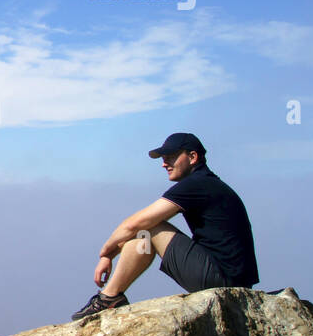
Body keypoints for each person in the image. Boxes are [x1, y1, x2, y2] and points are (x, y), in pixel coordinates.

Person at [71, 133, 259, 321]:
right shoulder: (208, 183)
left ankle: (109, 297)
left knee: (149, 228)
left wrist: (106, 254)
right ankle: (111, 296)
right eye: (163, 159)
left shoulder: (196, 184)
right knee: (143, 231)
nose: (164, 163)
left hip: (221, 279)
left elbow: (134, 223)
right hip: (232, 278)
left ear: (193, 157)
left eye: (170, 157)